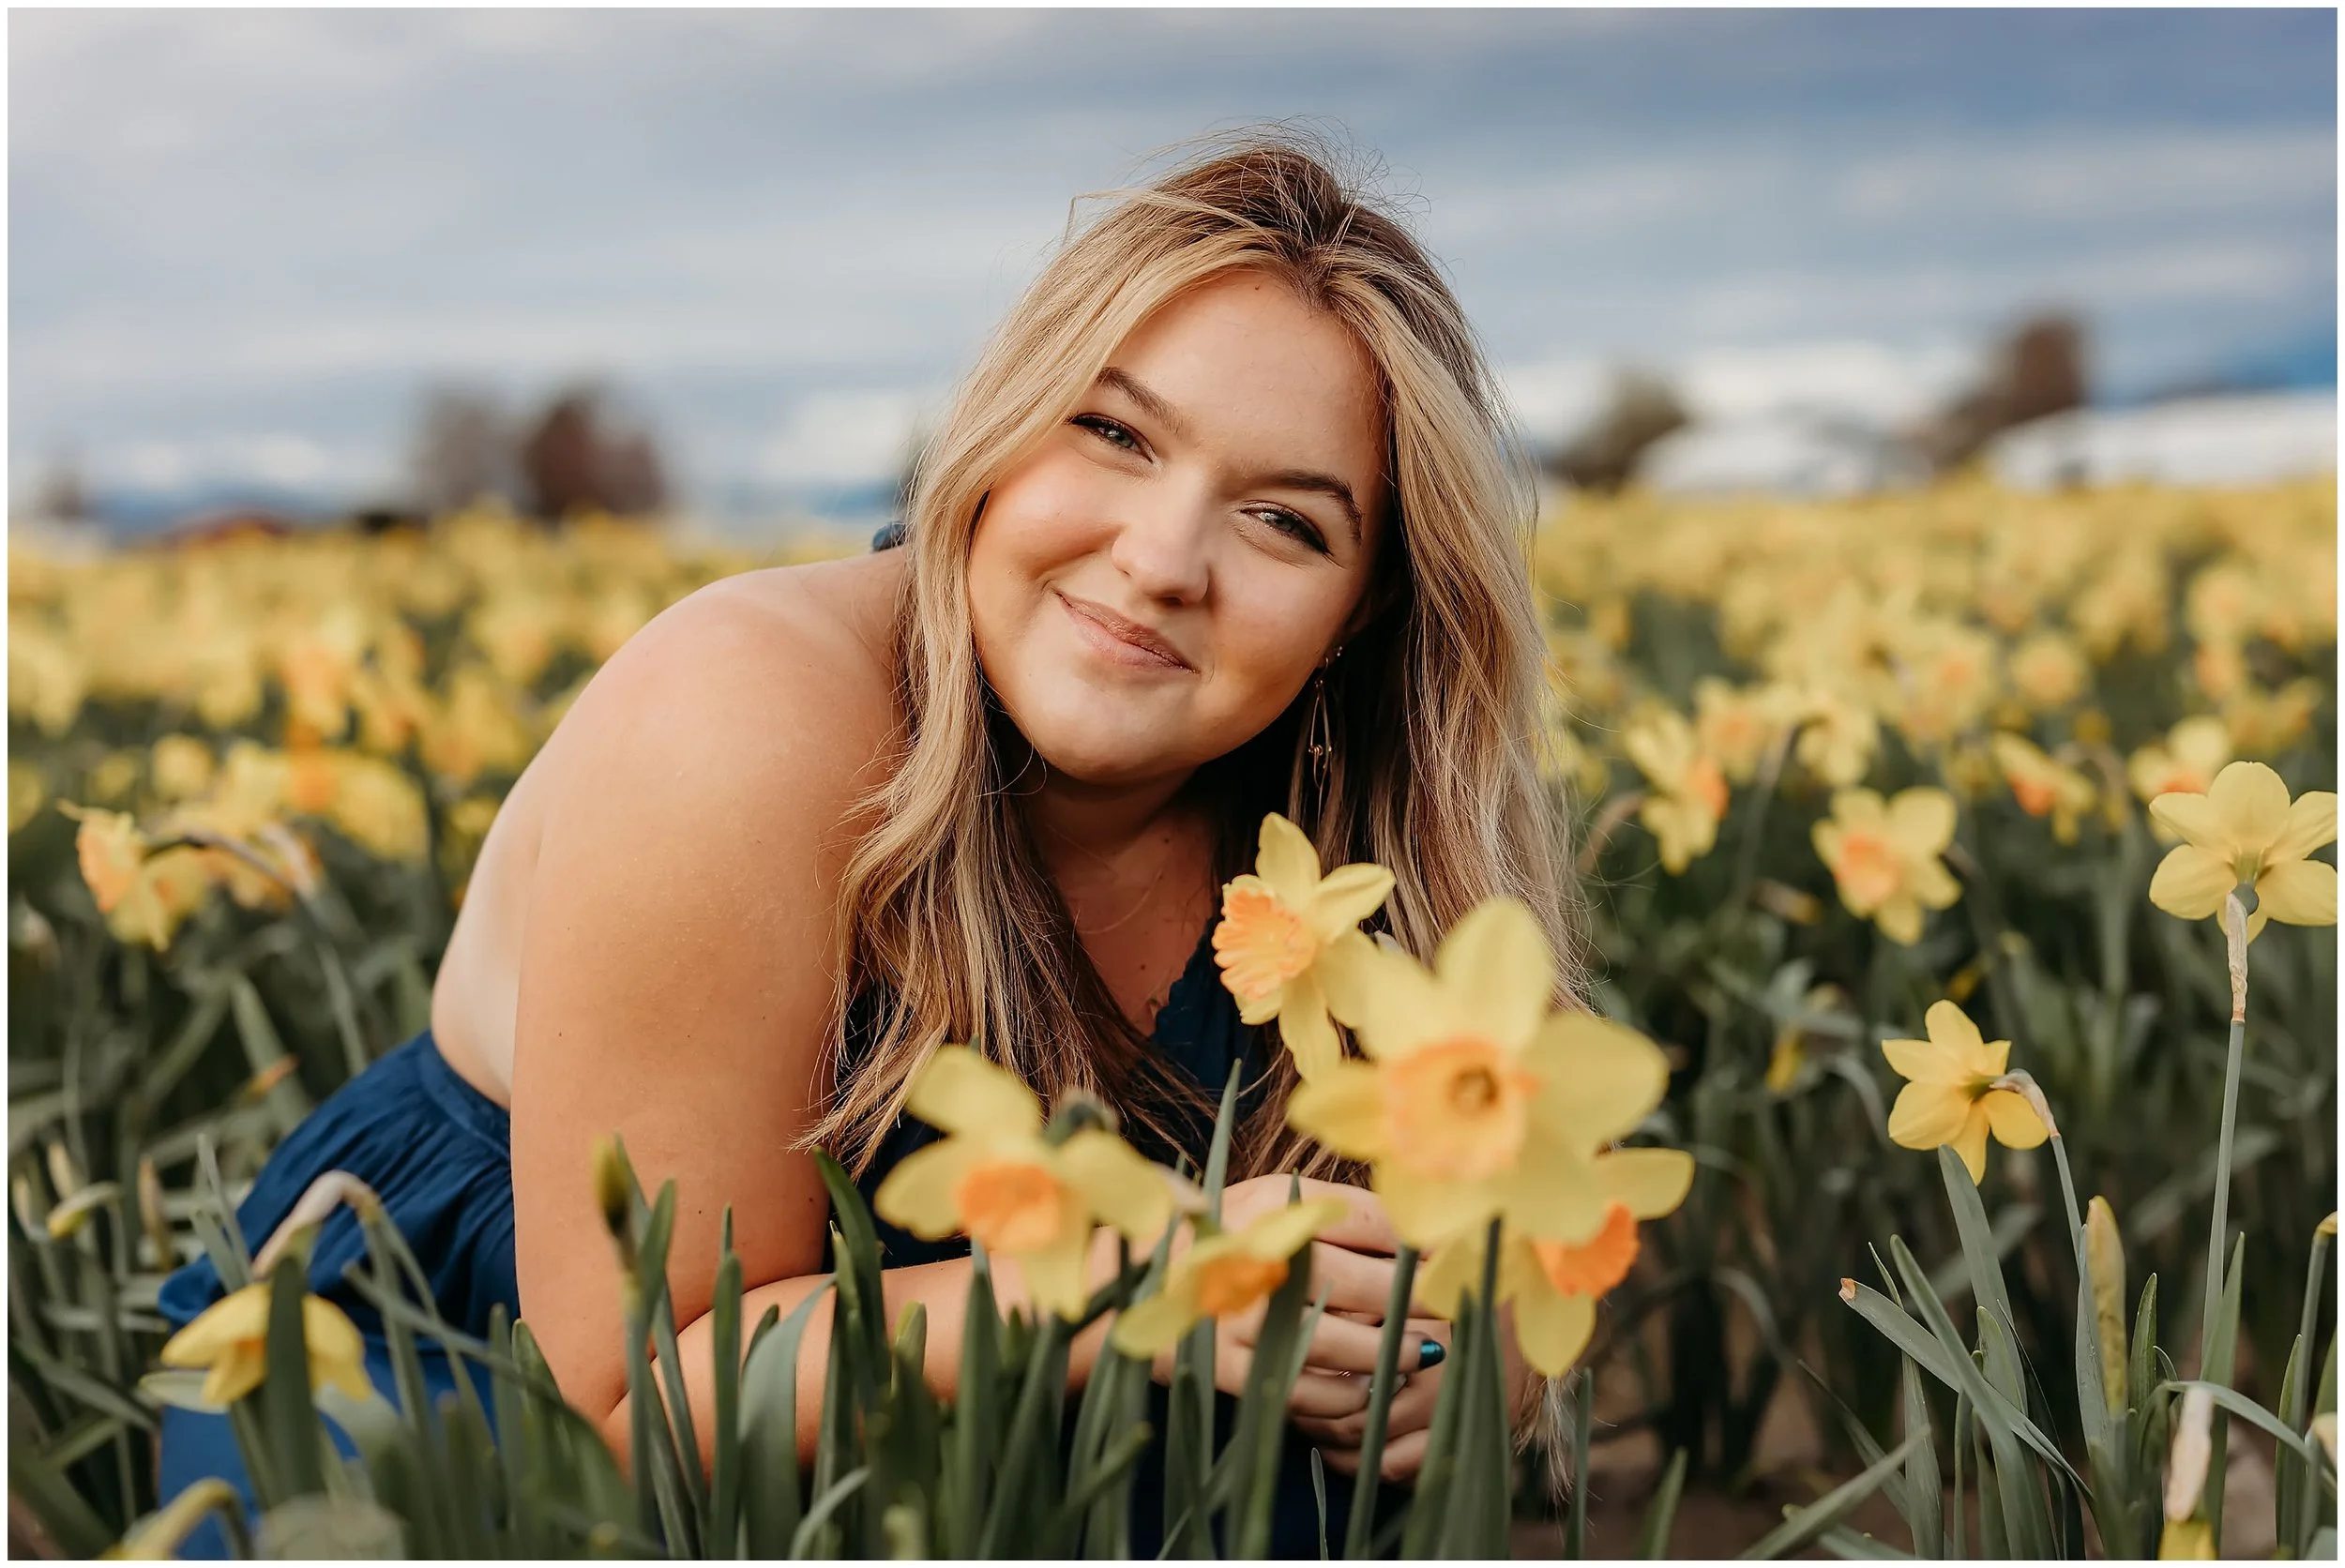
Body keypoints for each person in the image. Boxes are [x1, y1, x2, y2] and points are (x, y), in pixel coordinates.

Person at [155, 126, 1588, 1555]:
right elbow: (630, 1403)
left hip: (1028, 1376)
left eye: (1284, 520)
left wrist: (1454, 1362)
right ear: (999, 432)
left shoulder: (1349, 832)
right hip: (481, 1376)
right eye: (1112, 432)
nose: (1162, 559)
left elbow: (1496, 1263)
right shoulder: (738, 716)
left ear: (1363, 617)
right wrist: (1146, 1267)